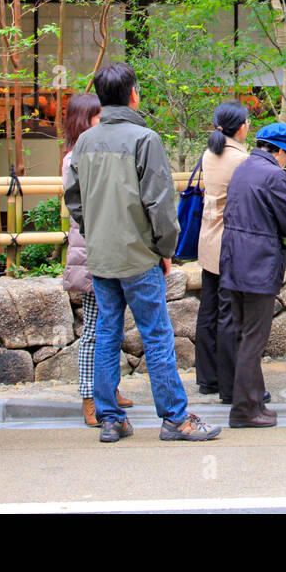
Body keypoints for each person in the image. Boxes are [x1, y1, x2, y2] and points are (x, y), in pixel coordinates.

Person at [65, 61, 219, 443]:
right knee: (157, 336)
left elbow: (74, 199)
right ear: (133, 93)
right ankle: (175, 418)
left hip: (102, 257)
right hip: (139, 256)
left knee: (105, 334)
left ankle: (111, 419)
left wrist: (94, 232)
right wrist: (165, 249)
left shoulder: (84, 141)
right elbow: (161, 206)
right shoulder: (144, 138)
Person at [219, 123, 286, 428]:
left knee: (243, 334)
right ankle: (243, 409)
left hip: (233, 261)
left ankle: (253, 402)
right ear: (280, 150)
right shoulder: (273, 175)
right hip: (258, 263)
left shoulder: (243, 168)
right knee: (254, 339)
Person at [60, 93, 133, 427]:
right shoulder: (76, 156)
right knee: (95, 327)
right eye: (97, 116)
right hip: (90, 249)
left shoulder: (90, 150)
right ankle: (90, 396)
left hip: (106, 246)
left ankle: (109, 387)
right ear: (83, 119)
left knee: (111, 324)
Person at [196, 100, 249, 404]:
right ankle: (230, 384)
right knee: (229, 314)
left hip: (208, 239)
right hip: (229, 242)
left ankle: (208, 378)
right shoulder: (241, 159)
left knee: (209, 308)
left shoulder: (209, 153)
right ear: (240, 126)